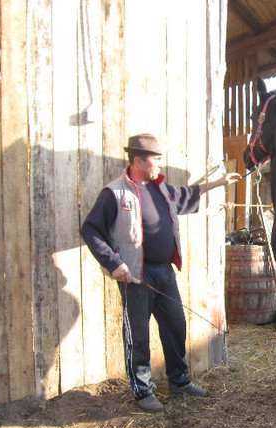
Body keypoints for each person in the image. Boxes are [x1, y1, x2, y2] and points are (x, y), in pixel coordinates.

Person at [81, 133, 241, 413]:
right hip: (135, 276)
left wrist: (218, 183)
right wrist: (113, 263)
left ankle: (179, 381)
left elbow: (186, 194)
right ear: (138, 160)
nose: (159, 163)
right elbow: (90, 229)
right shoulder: (115, 193)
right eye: (155, 159)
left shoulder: (160, 188)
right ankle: (142, 391)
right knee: (138, 335)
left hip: (164, 272)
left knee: (176, 325)